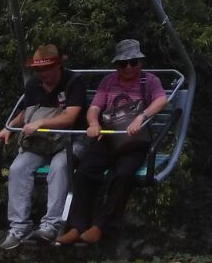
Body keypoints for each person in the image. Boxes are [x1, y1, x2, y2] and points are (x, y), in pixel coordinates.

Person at [57, 39, 167, 246]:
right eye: (123, 64)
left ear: (140, 62)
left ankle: (101, 226)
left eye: (133, 62)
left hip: (134, 140)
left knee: (122, 174)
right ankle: (77, 226)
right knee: (85, 172)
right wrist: (93, 124)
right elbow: (95, 108)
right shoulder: (108, 82)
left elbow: (161, 100)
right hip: (108, 138)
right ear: (116, 65)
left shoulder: (149, 81)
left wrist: (141, 117)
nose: (128, 68)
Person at [0, 43, 87, 249]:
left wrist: (41, 123)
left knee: (60, 166)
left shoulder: (74, 82)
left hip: (71, 140)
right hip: (42, 143)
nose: (42, 73)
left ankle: (51, 224)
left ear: (58, 66)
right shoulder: (33, 86)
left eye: (46, 68)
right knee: (18, 169)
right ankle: (19, 226)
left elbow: (70, 117)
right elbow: (25, 113)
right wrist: (9, 128)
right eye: (38, 69)